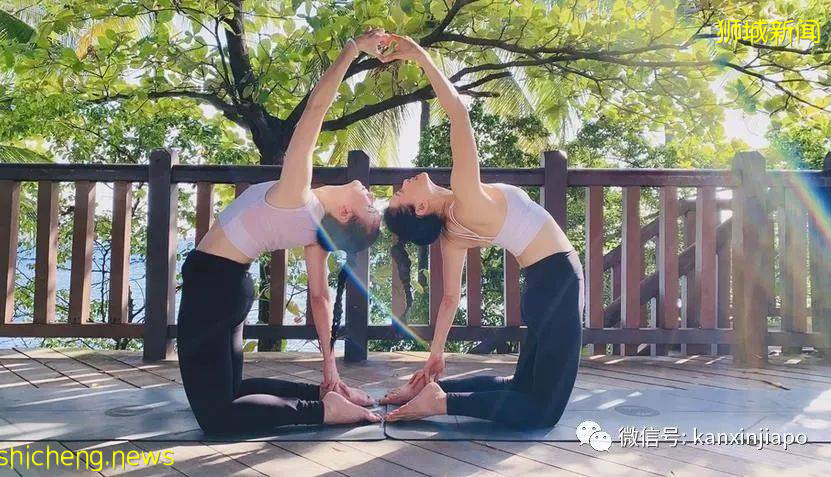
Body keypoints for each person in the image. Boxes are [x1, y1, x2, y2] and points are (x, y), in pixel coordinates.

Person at [177, 29, 391, 434]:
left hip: (214, 286)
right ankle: (326, 397)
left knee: (217, 417)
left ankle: (322, 412)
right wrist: (330, 371)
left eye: (368, 203)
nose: (369, 192)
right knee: (233, 390)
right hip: (228, 285)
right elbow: (319, 297)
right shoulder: (315, 230)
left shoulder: (297, 195)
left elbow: (316, 109)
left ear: (345, 212)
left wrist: (352, 49)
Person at [379, 35, 585, 429]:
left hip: (542, 285)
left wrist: (434, 356)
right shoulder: (465, 199)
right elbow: (458, 113)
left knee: (522, 385)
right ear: (420, 207)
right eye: (401, 194)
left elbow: (450, 299)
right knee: (542, 412)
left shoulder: (453, 231)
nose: (402, 184)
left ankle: (433, 395)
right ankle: (440, 404)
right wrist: (421, 57)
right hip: (557, 280)